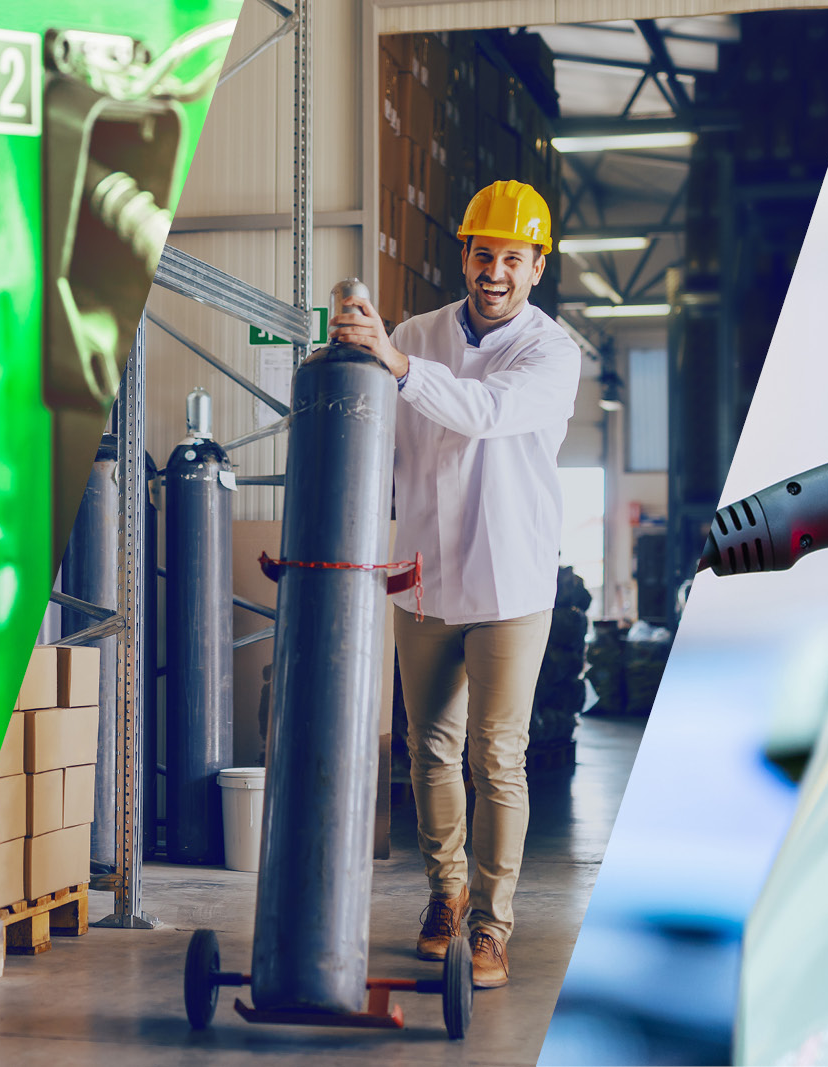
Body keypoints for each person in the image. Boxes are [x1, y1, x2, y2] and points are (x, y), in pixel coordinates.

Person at [329, 179, 581, 989]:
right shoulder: (417, 331)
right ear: (463, 255)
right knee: (427, 750)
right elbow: (379, 427)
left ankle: (491, 925)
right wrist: (344, 359)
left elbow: (478, 411)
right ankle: (446, 894)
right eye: (483, 254)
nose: (494, 271)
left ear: (536, 266)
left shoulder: (550, 351)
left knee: (496, 756)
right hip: (424, 575)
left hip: (510, 581)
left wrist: (394, 363)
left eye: (512, 257)